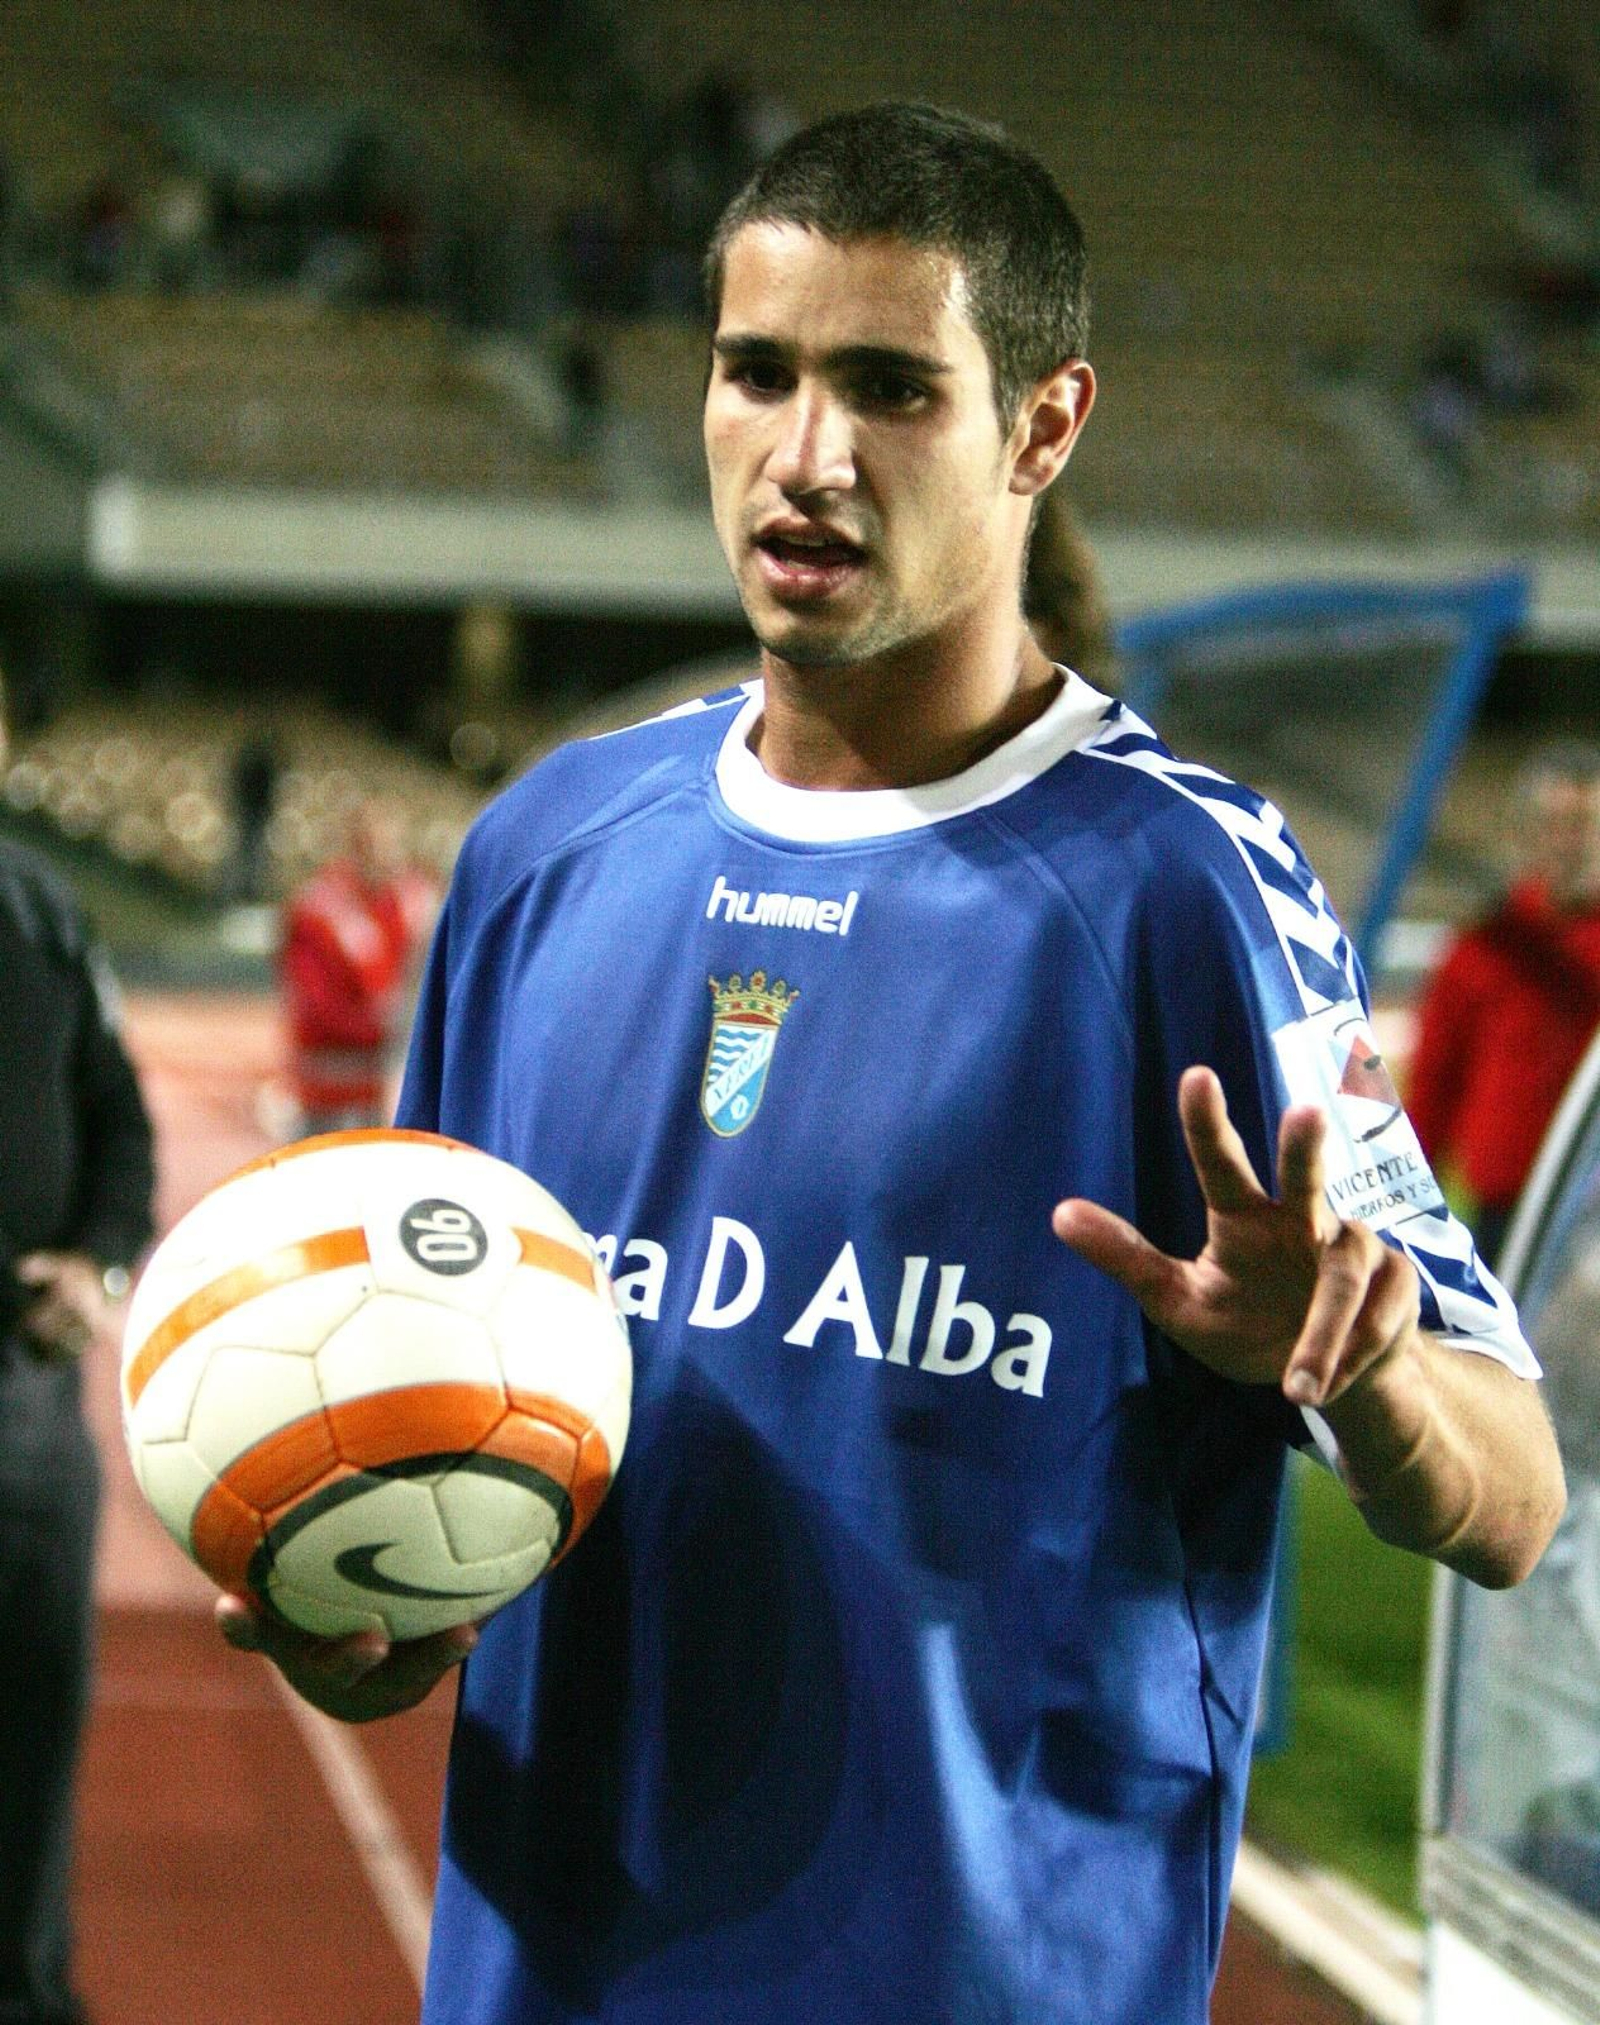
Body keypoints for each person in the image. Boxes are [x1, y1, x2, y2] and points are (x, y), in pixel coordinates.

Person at [220, 103, 1565, 2024]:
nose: (807, 455)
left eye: (888, 388)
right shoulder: (543, 858)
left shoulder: (1184, 890)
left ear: (1042, 429)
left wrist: (1357, 1383)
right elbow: (437, 1455)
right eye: (756, 373)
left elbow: (1511, 1497)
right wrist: (369, 1626)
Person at [0, 760, 156, 2024]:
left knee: (31, 1730)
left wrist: (97, 1259)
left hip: (29, 1394)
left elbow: (120, 1117)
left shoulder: (40, 907)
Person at [1407, 740, 1600, 1264]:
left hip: (1589, 1206)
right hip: (1501, 1202)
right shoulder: (1482, 949)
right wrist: (1409, 1204)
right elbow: (1434, 1082)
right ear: (1528, 834)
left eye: (1585, 824)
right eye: (1555, 824)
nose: (1572, 843)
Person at [276, 796, 438, 1137]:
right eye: (378, 845)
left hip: (383, 1086)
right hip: (328, 1093)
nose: (389, 858)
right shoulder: (318, 910)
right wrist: (386, 1028)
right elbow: (315, 1005)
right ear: (355, 845)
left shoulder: (403, 906)